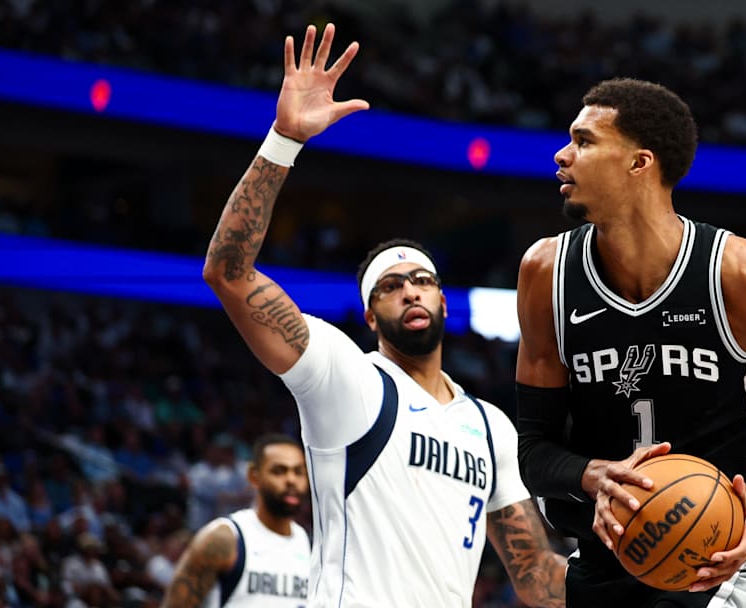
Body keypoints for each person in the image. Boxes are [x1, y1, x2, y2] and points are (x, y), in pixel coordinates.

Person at [201, 23, 566, 608]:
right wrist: (283, 140)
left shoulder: (492, 426)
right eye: (391, 287)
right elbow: (228, 271)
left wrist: (638, 582)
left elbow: (538, 579)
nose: (411, 293)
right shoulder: (345, 375)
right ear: (371, 316)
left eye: (423, 281)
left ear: (443, 301)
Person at [515, 77, 746, 607]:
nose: (562, 155)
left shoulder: (743, 274)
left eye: (585, 141)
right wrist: (592, 475)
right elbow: (534, 451)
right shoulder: (546, 272)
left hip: (716, 560)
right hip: (602, 557)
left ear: (641, 163)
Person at [161, 434, 310, 608]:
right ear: (254, 476)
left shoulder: (313, 545)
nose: (291, 480)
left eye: (299, 472)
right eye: (279, 471)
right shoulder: (224, 538)